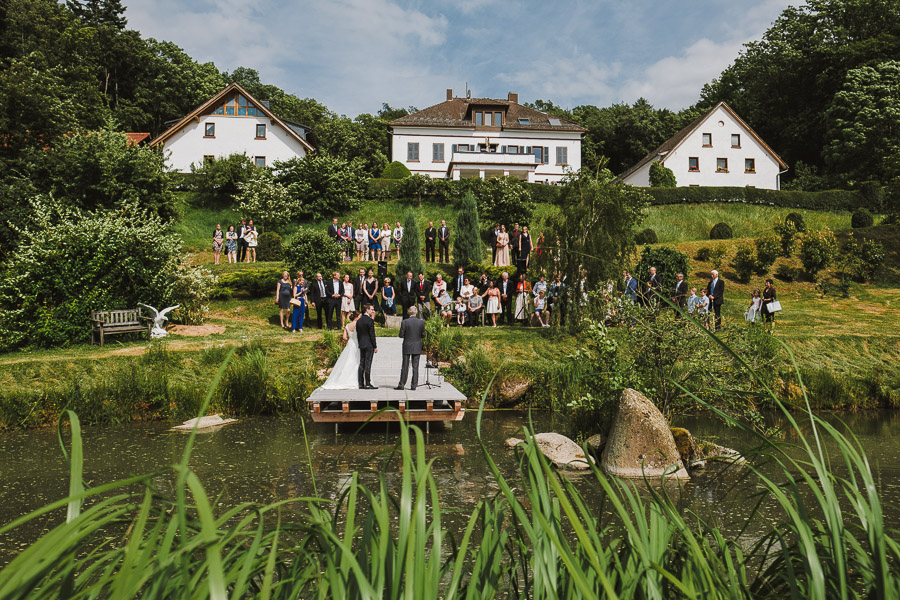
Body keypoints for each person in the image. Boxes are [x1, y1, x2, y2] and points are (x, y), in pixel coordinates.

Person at [321, 311, 362, 389]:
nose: (361, 318)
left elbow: (344, 337)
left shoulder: (347, 325)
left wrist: (350, 339)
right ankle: (356, 379)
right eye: (360, 316)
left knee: (347, 360)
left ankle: (343, 379)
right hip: (357, 343)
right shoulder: (358, 324)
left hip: (350, 343)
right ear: (356, 317)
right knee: (356, 360)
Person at [395, 306, 424, 391]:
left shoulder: (405, 322)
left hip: (407, 345)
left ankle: (402, 384)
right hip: (417, 345)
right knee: (416, 367)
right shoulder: (421, 322)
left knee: (405, 366)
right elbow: (423, 335)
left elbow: (401, 335)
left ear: (409, 312)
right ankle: (414, 385)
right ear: (416, 312)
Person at [356, 304, 378, 389]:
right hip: (369, 344)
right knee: (368, 363)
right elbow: (372, 334)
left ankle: (361, 383)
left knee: (362, 363)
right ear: (367, 310)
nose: (373, 311)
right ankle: (368, 383)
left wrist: (360, 343)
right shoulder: (370, 321)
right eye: (371, 309)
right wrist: (375, 346)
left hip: (362, 343)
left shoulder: (359, 321)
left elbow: (358, 334)